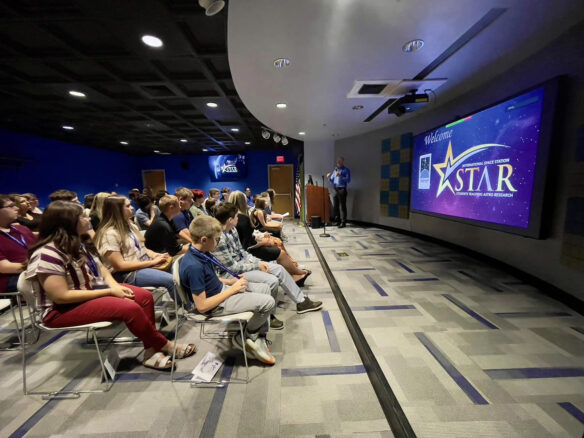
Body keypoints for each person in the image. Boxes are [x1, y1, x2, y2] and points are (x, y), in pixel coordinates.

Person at [25, 200, 195, 371]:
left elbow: (101, 269)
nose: (89, 219)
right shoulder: (47, 254)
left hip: (88, 293)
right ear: (68, 223)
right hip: (60, 310)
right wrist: (110, 291)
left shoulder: (76, 244)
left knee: (144, 297)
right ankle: (165, 345)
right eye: (83, 217)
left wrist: (115, 287)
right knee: (129, 308)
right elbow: (60, 297)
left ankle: (150, 351)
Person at [179, 215, 276, 364]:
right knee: (268, 303)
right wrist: (232, 290)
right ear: (204, 240)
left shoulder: (201, 253)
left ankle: (257, 335)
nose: (218, 243)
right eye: (216, 239)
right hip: (217, 305)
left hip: (222, 291)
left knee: (265, 288)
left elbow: (210, 279)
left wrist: (230, 281)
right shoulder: (194, 266)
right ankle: (247, 336)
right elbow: (202, 306)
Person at [213, 203, 323, 318]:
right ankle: (269, 316)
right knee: (272, 281)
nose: (238, 218)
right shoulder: (219, 239)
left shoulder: (232, 230)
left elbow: (243, 252)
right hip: (231, 274)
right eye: (236, 216)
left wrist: (258, 262)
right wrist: (257, 266)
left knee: (279, 269)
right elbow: (232, 268)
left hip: (243, 265)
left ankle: (301, 301)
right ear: (230, 220)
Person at [93, 196, 183, 306]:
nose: (132, 208)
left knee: (180, 273)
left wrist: (155, 255)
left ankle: (191, 303)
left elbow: (142, 249)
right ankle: (188, 309)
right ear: (117, 210)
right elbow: (119, 266)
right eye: (127, 206)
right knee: (171, 280)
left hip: (141, 266)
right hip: (125, 274)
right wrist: (152, 262)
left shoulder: (130, 225)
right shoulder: (109, 234)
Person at [229, 191, 310, 285]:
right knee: (280, 252)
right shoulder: (242, 218)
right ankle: (298, 273)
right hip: (249, 251)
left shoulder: (234, 218)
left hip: (246, 248)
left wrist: (262, 240)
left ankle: (295, 273)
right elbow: (248, 244)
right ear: (243, 202)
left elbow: (247, 238)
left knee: (276, 244)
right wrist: (264, 242)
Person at [0, 195, 37, 293]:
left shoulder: (22, 229)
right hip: (14, 279)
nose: (16, 208)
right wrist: (39, 266)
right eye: (11, 206)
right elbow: (5, 267)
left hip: (34, 271)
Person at [327, 156, 351, 228]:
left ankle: (343, 222)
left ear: (343, 162)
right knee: (336, 206)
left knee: (343, 206)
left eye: (340, 161)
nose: (338, 162)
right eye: (338, 161)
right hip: (335, 189)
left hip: (342, 189)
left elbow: (348, 180)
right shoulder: (335, 170)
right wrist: (329, 177)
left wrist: (340, 176)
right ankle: (337, 221)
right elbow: (332, 180)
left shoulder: (346, 170)